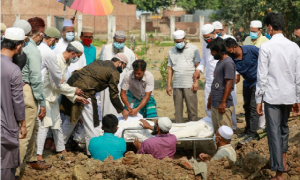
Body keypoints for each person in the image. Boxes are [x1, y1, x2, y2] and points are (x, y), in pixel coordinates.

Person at [256, 13, 300, 180]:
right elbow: (298, 76)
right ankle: (283, 161)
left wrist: (258, 100)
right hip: (288, 95)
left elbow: (262, 76)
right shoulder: (294, 47)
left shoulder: (266, 47)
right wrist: (298, 99)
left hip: (272, 96)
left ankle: (278, 173)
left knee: (273, 132)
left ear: (269, 27)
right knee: (283, 128)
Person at [61, 53, 130, 155]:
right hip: (84, 93)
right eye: (123, 66)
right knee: (92, 125)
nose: (123, 69)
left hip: (71, 88)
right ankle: (92, 153)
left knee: (70, 121)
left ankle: (59, 146)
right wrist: (122, 110)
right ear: (120, 62)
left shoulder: (100, 62)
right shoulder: (114, 72)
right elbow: (114, 94)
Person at [37, 41, 89, 162]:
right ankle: (38, 155)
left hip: (53, 99)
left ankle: (61, 149)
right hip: (46, 98)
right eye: (78, 56)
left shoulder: (64, 63)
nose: (78, 59)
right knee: (44, 126)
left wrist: (75, 97)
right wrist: (74, 91)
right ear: (72, 53)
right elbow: (56, 85)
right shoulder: (56, 61)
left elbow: (61, 84)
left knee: (57, 124)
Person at [18, 17, 50, 172]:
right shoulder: (32, 50)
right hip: (27, 91)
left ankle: (30, 159)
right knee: (24, 132)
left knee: (34, 127)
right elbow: (36, 79)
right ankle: (15, 171)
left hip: (11, 89)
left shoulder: (6, 45)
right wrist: (42, 102)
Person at [193, 24, 238, 131]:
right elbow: (204, 58)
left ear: (214, 33)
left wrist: (236, 74)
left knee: (226, 106)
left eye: (208, 37)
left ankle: (232, 129)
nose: (207, 40)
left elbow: (231, 60)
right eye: (205, 38)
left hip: (224, 77)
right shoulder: (205, 44)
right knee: (209, 106)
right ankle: (214, 129)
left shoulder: (222, 43)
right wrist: (198, 69)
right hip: (210, 79)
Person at [1, 27, 27, 180]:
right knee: (5, 166)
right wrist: (22, 124)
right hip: (5, 126)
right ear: (18, 46)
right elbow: (18, 101)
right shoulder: (13, 70)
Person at [225, 38, 260, 143]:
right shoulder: (231, 59)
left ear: (235, 47)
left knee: (253, 107)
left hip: (258, 83)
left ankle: (253, 133)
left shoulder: (251, 49)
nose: (228, 53)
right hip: (247, 83)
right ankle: (248, 130)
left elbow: (266, 58)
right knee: (247, 107)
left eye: (229, 50)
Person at [99, 30, 136, 117]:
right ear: (113, 39)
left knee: (119, 110)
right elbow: (100, 65)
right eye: (117, 41)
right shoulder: (105, 49)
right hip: (106, 85)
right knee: (106, 109)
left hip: (122, 86)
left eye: (121, 42)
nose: (119, 44)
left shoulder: (129, 53)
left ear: (125, 40)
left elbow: (132, 72)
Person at [167, 30, 200, 123]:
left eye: (180, 42)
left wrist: (196, 82)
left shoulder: (194, 49)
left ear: (184, 39)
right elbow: (170, 69)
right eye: (176, 42)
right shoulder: (171, 51)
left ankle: (193, 129)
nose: (178, 44)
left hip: (189, 83)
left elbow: (198, 67)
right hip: (177, 84)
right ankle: (179, 129)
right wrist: (169, 85)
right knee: (178, 111)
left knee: (192, 109)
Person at [206, 37, 236, 132]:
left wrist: (223, 102)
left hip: (223, 105)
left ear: (219, 50)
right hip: (216, 103)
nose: (211, 53)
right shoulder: (220, 62)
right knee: (218, 134)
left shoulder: (228, 63)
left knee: (225, 133)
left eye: (213, 51)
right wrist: (210, 98)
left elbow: (229, 83)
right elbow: (216, 82)